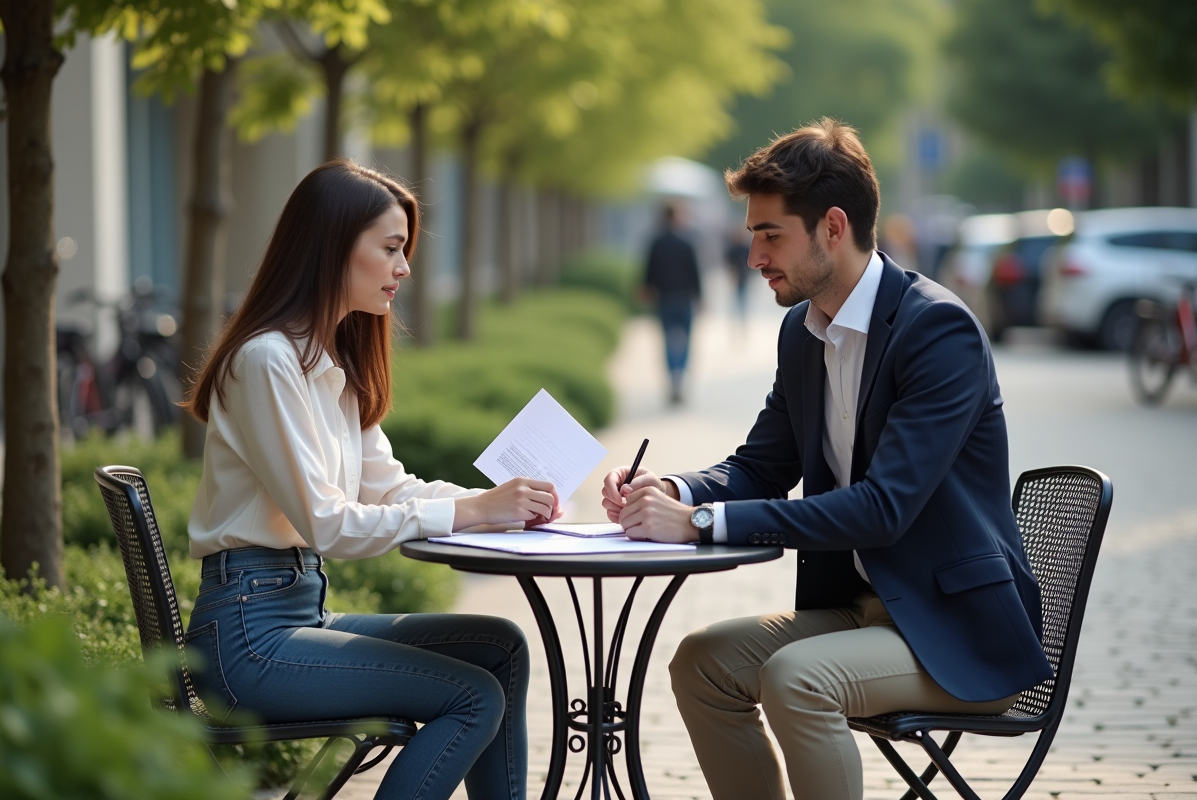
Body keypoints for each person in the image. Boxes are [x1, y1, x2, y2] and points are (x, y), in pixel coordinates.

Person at [600, 119, 1052, 800]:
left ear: (833, 228)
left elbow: (884, 508)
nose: (753, 257)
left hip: (958, 634)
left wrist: (699, 525)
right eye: (752, 235)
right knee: (703, 661)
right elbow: (758, 466)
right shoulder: (803, 331)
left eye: (770, 234)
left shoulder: (938, 330)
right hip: (866, 612)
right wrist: (672, 489)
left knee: (798, 677)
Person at [182, 160, 560, 800]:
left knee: (500, 646)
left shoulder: (330, 361)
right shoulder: (267, 362)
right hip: (247, 639)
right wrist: (470, 513)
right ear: (333, 249)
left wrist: (496, 505)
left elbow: (390, 489)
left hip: (297, 612)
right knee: (471, 696)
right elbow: (328, 524)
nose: (404, 268)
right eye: (390, 249)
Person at [642, 203, 702, 404]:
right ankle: (680, 374)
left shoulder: (656, 242)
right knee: (686, 338)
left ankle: (672, 376)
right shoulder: (686, 242)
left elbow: (649, 270)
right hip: (684, 297)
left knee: (668, 339)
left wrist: (646, 289)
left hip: (664, 297)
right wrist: (700, 296)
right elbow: (694, 272)